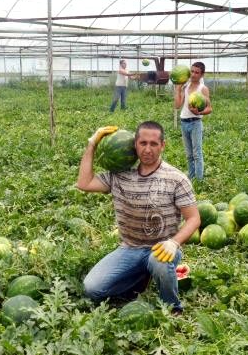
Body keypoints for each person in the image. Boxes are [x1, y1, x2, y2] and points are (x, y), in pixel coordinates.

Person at [77, 121, 200, 314]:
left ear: (163, 145)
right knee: (92, 288)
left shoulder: (176, 178)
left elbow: (194, 219)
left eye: (153, 144)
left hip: (162, 248)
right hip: (130, 248)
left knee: (159, 261)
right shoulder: (120, 174)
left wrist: (174, 243)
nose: (148, 149)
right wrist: (92, 143)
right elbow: (84, 183)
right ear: (135, 144)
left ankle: (172, 307)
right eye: (143, 143)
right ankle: (142, 277)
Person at [173, 62, 213, 181]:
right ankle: (191, 176)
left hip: (195, 122)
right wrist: (178, 89)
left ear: (202, 75)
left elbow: (209, 108)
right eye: (192, 71)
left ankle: (199, 180)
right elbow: (177, 105)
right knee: (189, 154)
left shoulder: (203, 89)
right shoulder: (186, 86)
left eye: (197, 72)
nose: (193, 74)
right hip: (184, 122)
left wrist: (199, 113)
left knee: (197, 154)